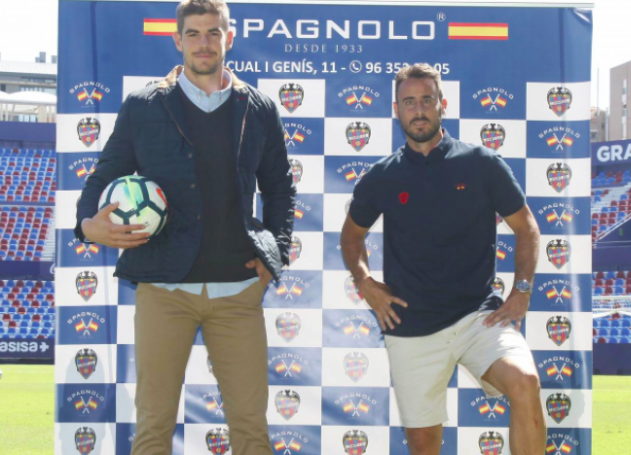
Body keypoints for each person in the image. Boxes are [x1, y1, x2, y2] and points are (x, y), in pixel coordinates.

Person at [74, 1, 295, 454]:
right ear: (177, 41)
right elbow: (102, 177)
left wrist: (276, 256)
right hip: (163, 289)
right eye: (193, 34)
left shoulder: (260, 107)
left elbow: (280, 190)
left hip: (238, 291)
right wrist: (85, 226)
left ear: (229, 38)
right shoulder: (142, 106)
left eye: (213, 32)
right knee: (154, 423)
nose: (204, 43)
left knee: (251, 426)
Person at [340, 64, 545, 455]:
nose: (419, 110)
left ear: (442, 105)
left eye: (427, 101)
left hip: (478, 318)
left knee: (525, 383)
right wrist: (365, 282)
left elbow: (528, 228)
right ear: (396, 110)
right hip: (410, 324)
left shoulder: (482, 163)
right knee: (424, 445)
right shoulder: (382, 176)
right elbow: (351, 236)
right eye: (409, 102)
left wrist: (521, 290)